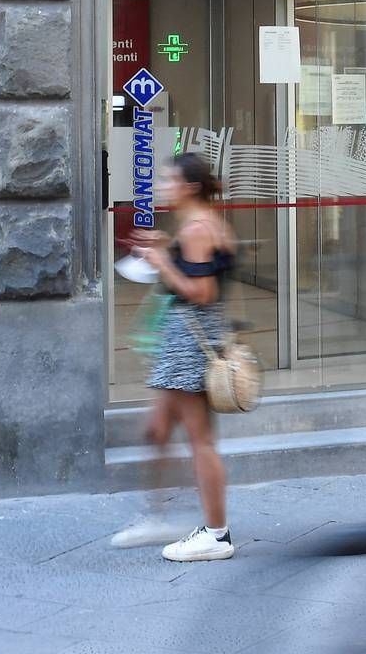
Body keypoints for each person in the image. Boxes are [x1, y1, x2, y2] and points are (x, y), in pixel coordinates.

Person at [109, 152, 240, 562]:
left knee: (200, 439)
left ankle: (216, 533)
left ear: (190, 187)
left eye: (169, 181)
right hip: (185, 338)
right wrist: (166, 250)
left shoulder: (199, 227)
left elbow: (202, 293)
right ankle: (159, 515)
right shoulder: (200, 224)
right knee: (157, 430)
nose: (162, 187)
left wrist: (163, 261)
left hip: (190, 339)